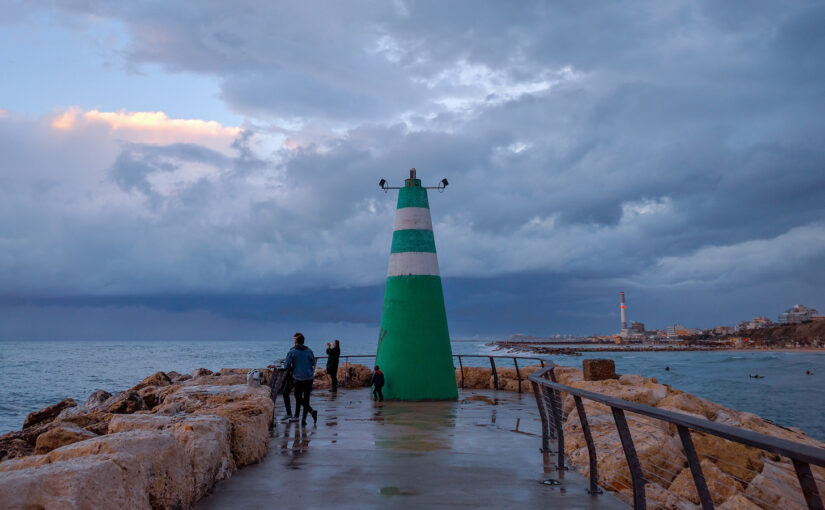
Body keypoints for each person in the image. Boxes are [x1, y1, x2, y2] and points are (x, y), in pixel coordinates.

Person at [284, 332, 318, 425]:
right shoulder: (309, 351)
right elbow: (313, 363)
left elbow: (286, 365)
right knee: (306, 398)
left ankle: (310, 411)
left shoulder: (292, 351)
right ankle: (303, 419)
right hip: (309, 377)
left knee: (298, 397)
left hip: (299, 378)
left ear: (296, 342)